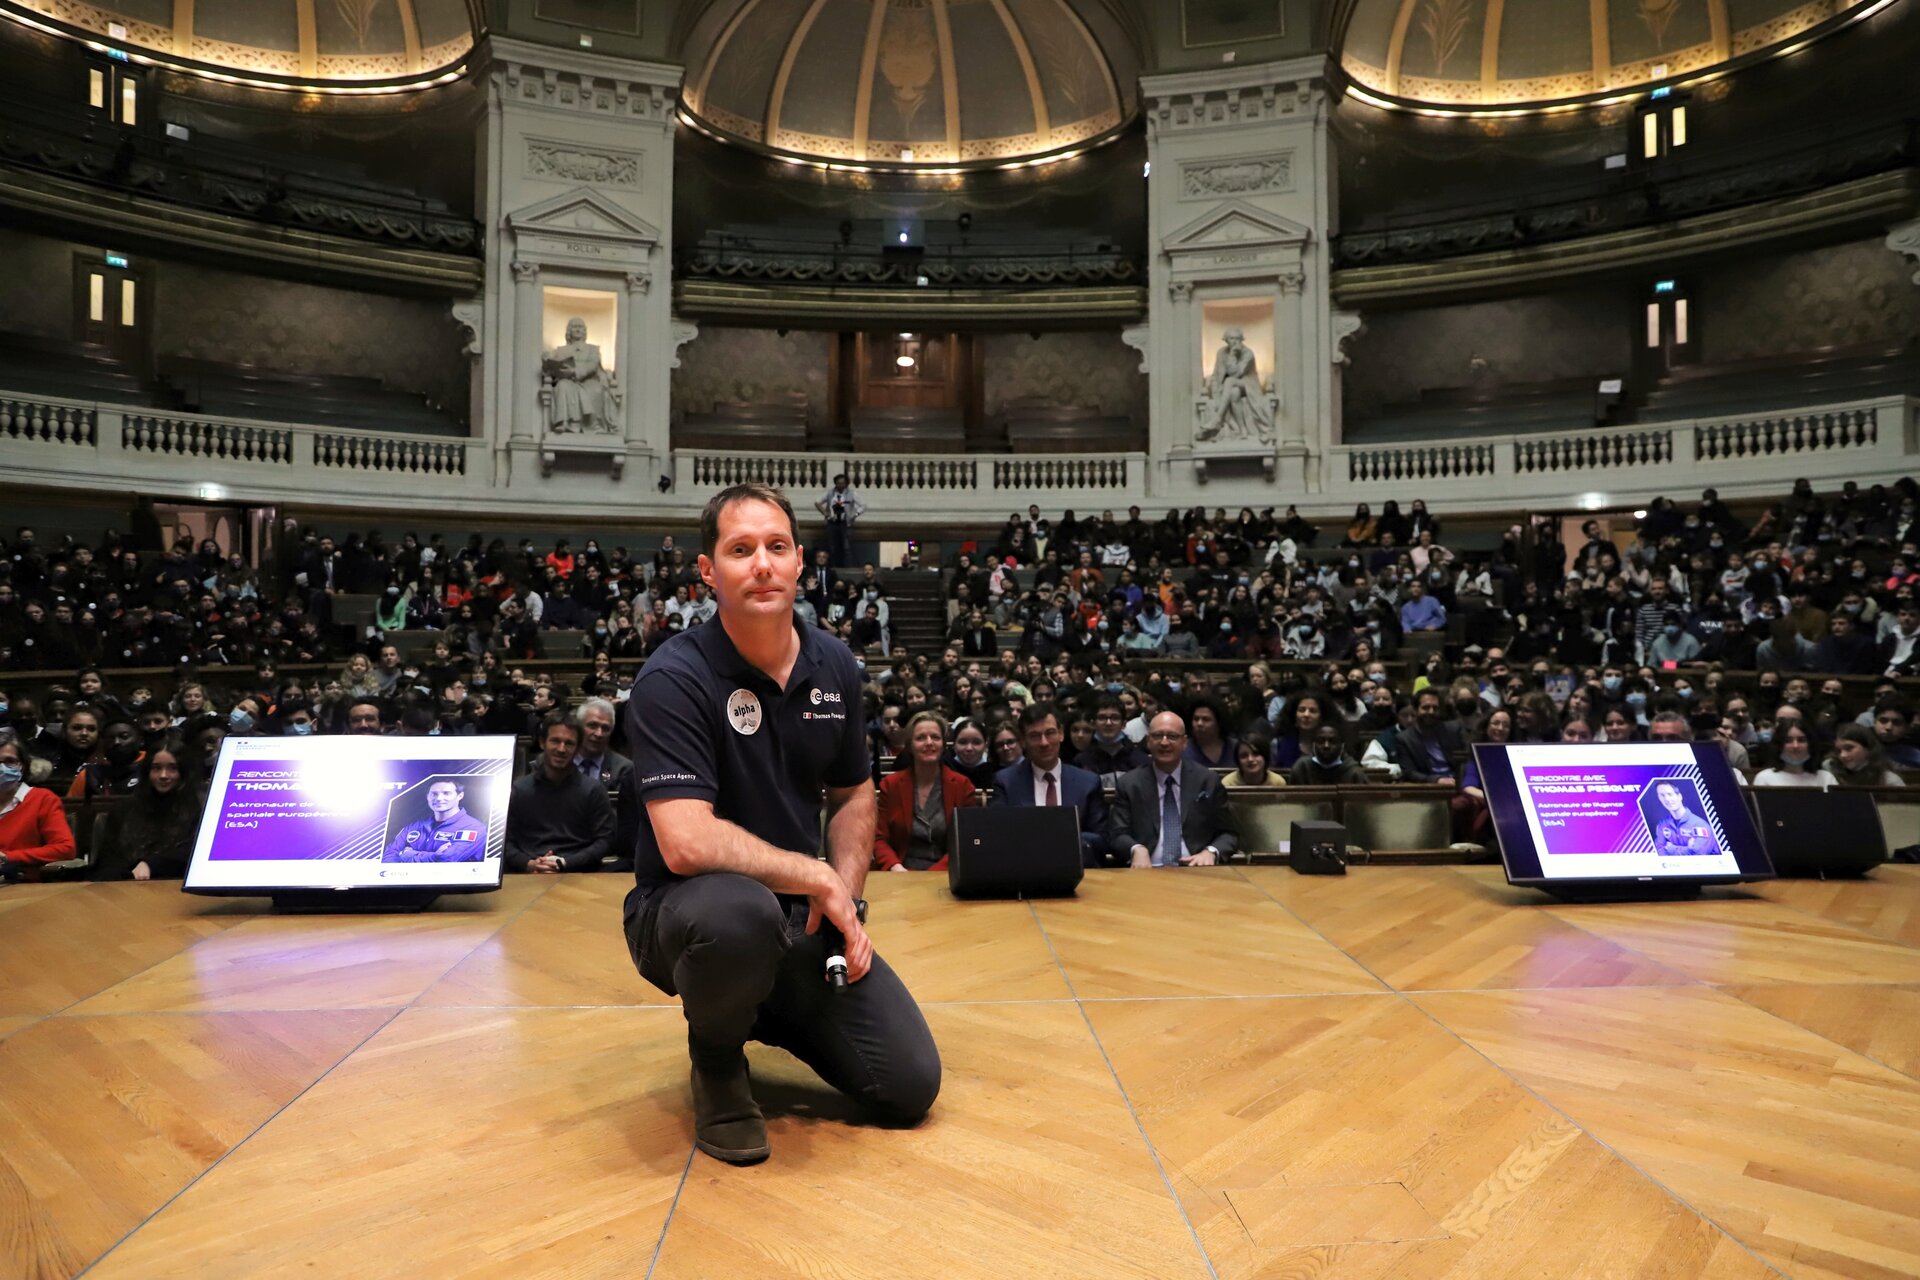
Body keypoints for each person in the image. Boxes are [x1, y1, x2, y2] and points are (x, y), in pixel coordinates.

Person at [621, 483, 939, 1166]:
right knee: (736, 913)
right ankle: (716, 1056)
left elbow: (855, 793)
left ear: (800, 562)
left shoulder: (836, 666)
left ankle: (761, 1001)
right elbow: (684, 841)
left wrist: (846, 902)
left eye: (776, 547)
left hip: (797, 917)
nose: (761, 564)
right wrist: (814, 874)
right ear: (708, 571)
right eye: (740, 550)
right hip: (681, 913)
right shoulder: (672, 679)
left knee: (908, 1086)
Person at [1108, 711, 1240, 867]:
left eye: (1172, 736)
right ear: (1149, 741)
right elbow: (1117, 834)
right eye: (1157, 736)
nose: (1164, 743)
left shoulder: (1207, 780)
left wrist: (1211, 852)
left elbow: (1229, 833)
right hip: (1146, 872)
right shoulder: (1130, 784)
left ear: (1184, 742)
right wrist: (1136, 849)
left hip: (1196, 870)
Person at [989, 702, 1108, 867]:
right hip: (1023, 873)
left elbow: (1100, 840)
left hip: (1077, 871)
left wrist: (1057, 843)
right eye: (1034, 736)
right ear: (1023, 742)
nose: (1044, 743)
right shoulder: (1005, 782)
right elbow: (997, 834)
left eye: (1050, 733)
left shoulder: (1087, 782)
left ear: (1061, 733)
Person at [505, 714, 614, 873]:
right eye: (555, 741)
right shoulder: (519, 789)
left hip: (578, 874)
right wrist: (528, 864)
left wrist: (565, 862)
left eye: (569, 743)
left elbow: (605, 841)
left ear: (577, 749)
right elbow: (504, 841)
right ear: (542, 743)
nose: (561, 749)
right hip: (528, 873)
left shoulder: (593, 790)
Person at [874, 712, 976, 872]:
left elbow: (967, 840)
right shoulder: (890, 785)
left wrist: (930, 876)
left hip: (947, 874)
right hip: (899, 873)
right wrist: (895, 868)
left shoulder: (963, 786)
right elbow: (879, 839)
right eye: (921, 738)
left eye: (935, 737)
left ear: (943, 744)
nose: (929, 743)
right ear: (910, 746)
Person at [91, 736, 203, 881]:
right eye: (157, 768)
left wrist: (151, 865)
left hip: (174, 885)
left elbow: (192, 853)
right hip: (126, 887)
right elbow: (109, 859)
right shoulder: (124, 809)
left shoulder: (199, 809)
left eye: (172, 768)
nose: (163, 775)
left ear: (184, 772)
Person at [0, 729, 76, 874]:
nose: (2, 768)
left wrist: (8, 857)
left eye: (10, 761)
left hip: (25, 885)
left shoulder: (42, 800)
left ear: (23, 766)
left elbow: (66, 849)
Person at [383, 776, 489, 862]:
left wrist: (407, 855)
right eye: (434, 794)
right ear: (427, 797)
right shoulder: (414, 827)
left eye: (446, 793)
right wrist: (434, 856)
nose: (439, 798)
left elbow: (447, 860)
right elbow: (388, 856)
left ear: (460, 796)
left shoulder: (473, 828)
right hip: (409, 886)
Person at [1395, 688, 1463, 785]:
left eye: (1435, 708)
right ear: (1415, 710)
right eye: (1426, 708)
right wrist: (1437, 780)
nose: (1431, 712)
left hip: (1458, 783)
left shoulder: (1454, 730)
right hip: (1428, 787)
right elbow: (1409, 772)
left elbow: (1466, 761)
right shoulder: (1404, 739)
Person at [573, 696, 632, 794]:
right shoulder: (560, 760)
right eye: (592, 725)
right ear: (578, 726)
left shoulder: (623, 769)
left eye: (605, 728)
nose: (598, 734)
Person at [1752, 723, 1836, 788]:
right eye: (1788, 741)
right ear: (1779, 745)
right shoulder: (1764, 778)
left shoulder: (1826, 778)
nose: (1795, 746)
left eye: (1801, 740)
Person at [1650, 780, 1719, 856]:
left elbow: (1698, 854)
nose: (1667, 799)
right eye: (1662, 795)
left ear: (1679, 796)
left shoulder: (1700, 825)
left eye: (1670, 794)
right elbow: (1659, 851)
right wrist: (1688, 849)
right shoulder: (1662, 825)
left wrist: (1671, 848)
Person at [1825, 723, 1904, 787]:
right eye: (1838, 750)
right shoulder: (1831, 775)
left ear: (1868, 748)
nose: (1842, 755)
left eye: (1849, 748)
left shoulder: (1889, 780)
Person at [1290, 725, 1370, 785]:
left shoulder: (1354, 773)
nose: (1326, 746)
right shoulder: (1302, 768)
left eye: (1332, 741)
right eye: (1321, 741)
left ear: (1342, 746)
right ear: (1313, 745)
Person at [815, 473, 866, 568]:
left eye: (843, 483)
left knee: (847, 547)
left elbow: (863, 505)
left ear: (846, 484)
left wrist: (855, 515)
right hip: (832, 523)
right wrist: (825, 513)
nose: (840, 485)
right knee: (832, 546)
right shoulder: (830, 493)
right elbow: (817, 502)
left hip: (846, 523)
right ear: (835, 483)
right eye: (838, 483)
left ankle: (847, 568)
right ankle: (833, 567)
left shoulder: (852, 493)